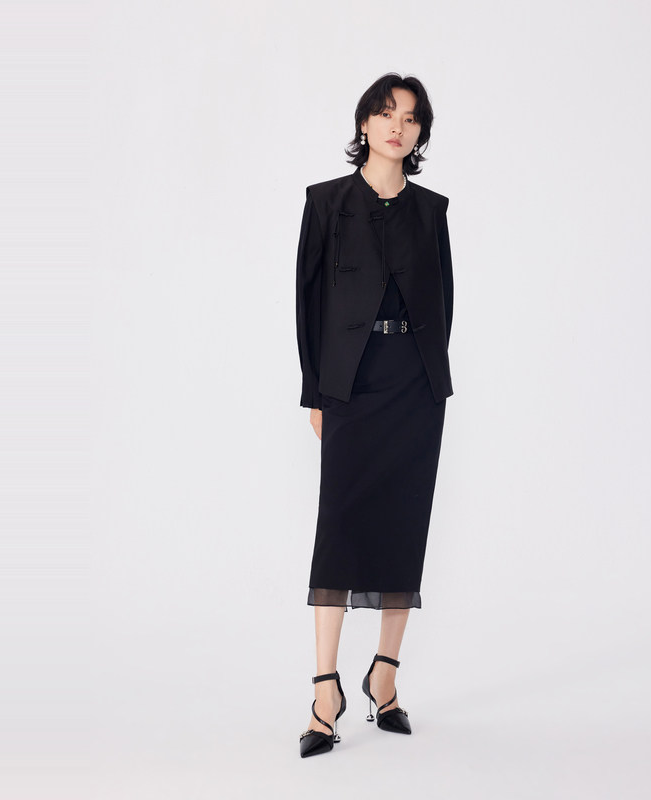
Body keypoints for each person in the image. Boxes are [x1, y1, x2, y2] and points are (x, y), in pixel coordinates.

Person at [295, 73, 455, 758]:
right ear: (364, 122)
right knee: (338, 527)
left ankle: (384, 677)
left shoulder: (431, 211)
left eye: (410, 118)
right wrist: (315, 392)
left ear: (420, 134)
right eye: (386, 113)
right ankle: (324, 690)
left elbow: (444, 305)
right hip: (350, 387)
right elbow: (308, 301)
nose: (397, 126)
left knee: (402, 525)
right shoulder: (326, 203)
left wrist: (432, 382)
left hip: (414, 388)